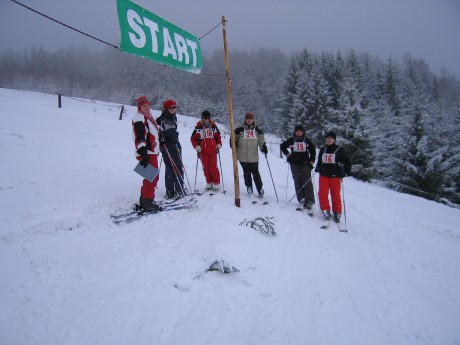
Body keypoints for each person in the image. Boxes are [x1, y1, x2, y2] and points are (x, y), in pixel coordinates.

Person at [314, 131, 351, 223]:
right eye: (327, 138)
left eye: (330, 138)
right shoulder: (323, 149)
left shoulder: (339, 150)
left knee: (335, 195)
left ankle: (337, 212)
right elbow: (320, 160)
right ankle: (325, 210)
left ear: (334, 139)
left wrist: (346, 172)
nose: (328, 140)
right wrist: (318, 168)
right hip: (324, 176)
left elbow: (347, 162)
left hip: (335, 176)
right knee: (322, 194)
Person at [132, 96, 161, 212]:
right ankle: (148, 203)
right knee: (152, 177)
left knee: (151, 176)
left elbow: (151, 133)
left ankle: (145, 199)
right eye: (144, 105)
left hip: (151, 151)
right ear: (140, 107)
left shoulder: (147, 117)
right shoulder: (139, 118)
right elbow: (139, 135)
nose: (147, 107)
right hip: (146, 152)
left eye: (148, 105)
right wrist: (142, 151)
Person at [280, 124, 316, 210]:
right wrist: (287, 154)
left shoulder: (307, 140)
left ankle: (310, 200)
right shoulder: (292, 140)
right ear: (295, 132)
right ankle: (301, 198)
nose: (298, 133)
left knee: (307, 181)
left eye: (300, 131)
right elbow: (282, 146)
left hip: (305, 163)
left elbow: (313, 150)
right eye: (297, 131)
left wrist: (311, 161)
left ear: (303, 132)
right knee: (297, 181)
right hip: (294, 163)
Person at [233, 112, 268, 197]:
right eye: (247, 119)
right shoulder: (239, 129)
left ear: (253, 120)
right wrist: (233, 144)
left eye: (250, 119)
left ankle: (260, 188)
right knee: (247, 172)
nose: (249, 120)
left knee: (255, 172)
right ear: (245, 119)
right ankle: (249, 187)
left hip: (253, 155)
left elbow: (261, 141)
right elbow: (234, 140)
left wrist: (263, 147)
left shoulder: (257, 130)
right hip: (242, 155)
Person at [156, 99, 185, 199]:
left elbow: (161, 129)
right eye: (170, 107)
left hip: (165, 145)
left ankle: (170, 190)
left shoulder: (164, 117)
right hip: (171, 145)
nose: (173, 109)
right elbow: (171, 132)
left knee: (170, 166)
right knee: (177, 166)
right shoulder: (167, 118)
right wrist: (174, 137)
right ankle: (179, 189)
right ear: (166, 108)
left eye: (174, 107)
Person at [190, 110, 223, 191]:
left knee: (213, 167)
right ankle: (209, 182)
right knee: (206, 168)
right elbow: (193, 138)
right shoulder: (198, 127)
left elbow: (218, 136)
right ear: (202, 118)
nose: (207, 119)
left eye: (208, 118)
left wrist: (219, 144)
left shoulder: (213, 126)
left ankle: (216, 183)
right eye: (205, 118)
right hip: (203, 152)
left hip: (213, 151)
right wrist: (196, 146)